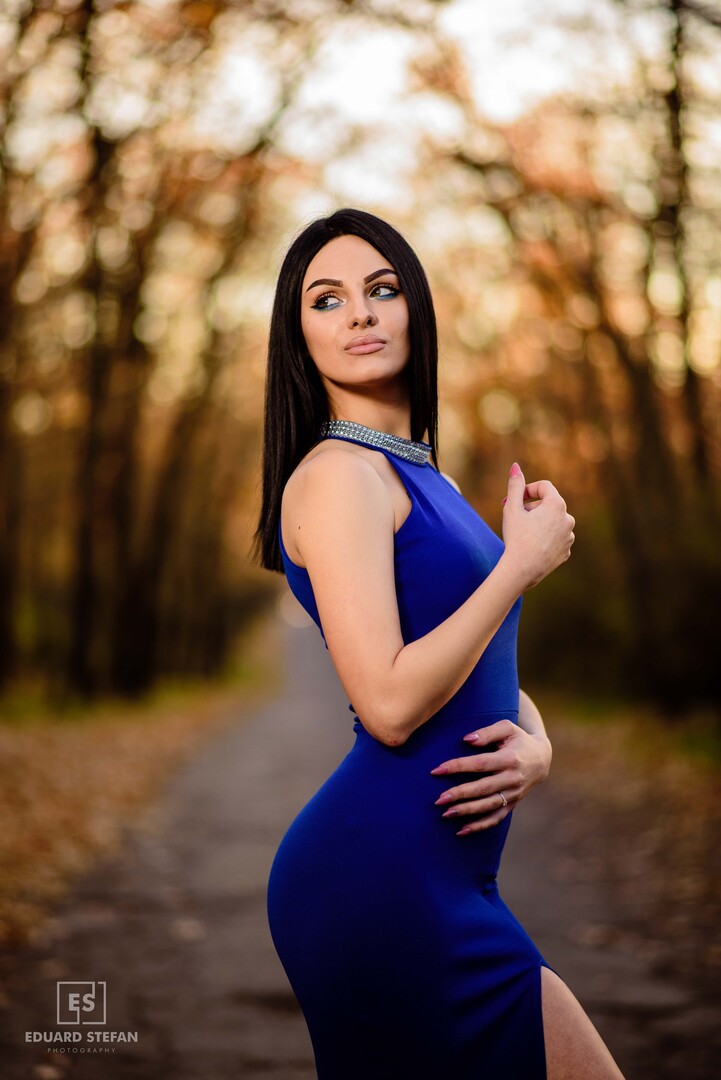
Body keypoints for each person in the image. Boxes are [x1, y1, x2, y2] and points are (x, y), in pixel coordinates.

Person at [253, 208, 625, 1079]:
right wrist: (517, 567)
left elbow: (480, 665)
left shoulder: (423, 473)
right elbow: (386, 705)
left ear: (414, 308)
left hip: (449, 881)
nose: (359, 314)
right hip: (377, 881)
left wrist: (536, 742)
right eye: (326, 299)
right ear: (298, 336)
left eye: (381, 289)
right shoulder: (336, 477)